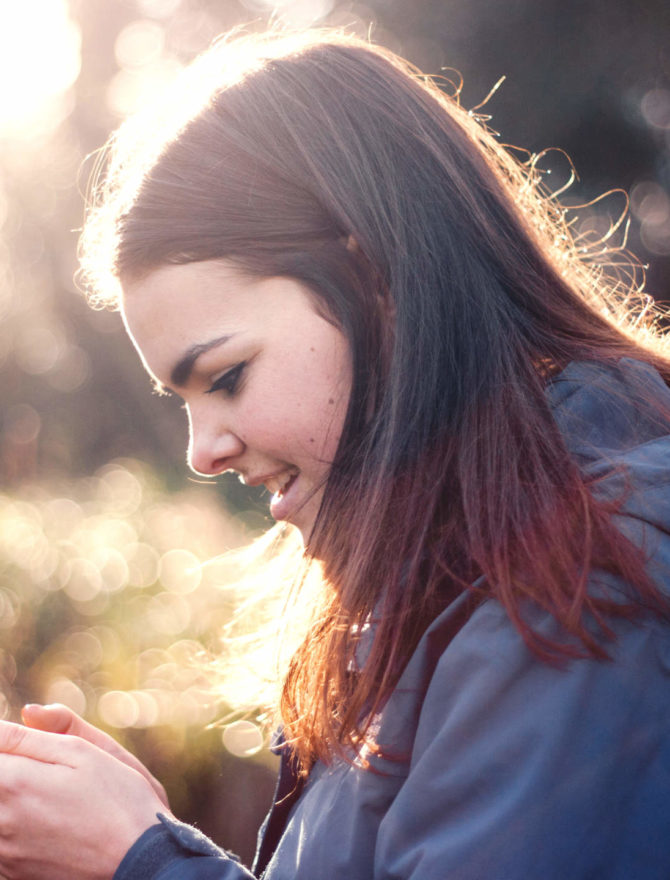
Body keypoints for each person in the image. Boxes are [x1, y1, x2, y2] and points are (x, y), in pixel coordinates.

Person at [1, 28, 670, 880]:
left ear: (376, 282)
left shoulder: (590, 580)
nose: (204, 452)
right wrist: (146, 838)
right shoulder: (448, 574)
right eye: (184, 402)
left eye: (228, 376)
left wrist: (140, 861)